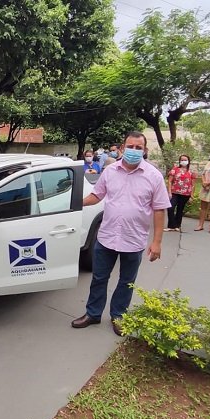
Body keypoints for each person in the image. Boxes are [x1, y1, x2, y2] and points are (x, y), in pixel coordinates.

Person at [71, 132, 171, 336]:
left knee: (127, 281)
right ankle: (93, 314)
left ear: (144, 150)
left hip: (134, 239)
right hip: (106, 237)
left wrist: (157, 242)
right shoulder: (110, 171)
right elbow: (97, 195)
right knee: (99, 278)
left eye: (138, 147)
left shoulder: (153, 176)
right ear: (123, 148)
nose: (134, 150)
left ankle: (118, 316)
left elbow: (160, 209)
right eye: (130, 146)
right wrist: (75, 204)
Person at [165, 154, 196, 232]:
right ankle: (171, 225)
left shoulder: (191, 171)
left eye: (185, 160)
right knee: (170, 207)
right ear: (179, 161)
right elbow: (170, 181)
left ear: (188, 161)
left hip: (185, 194)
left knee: (180, 209)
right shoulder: (175, 169)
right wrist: (169, 192)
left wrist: (192, 195)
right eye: (182, 160)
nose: (183, 161)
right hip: (174, 192)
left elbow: (193, 184)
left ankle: (177, 225)